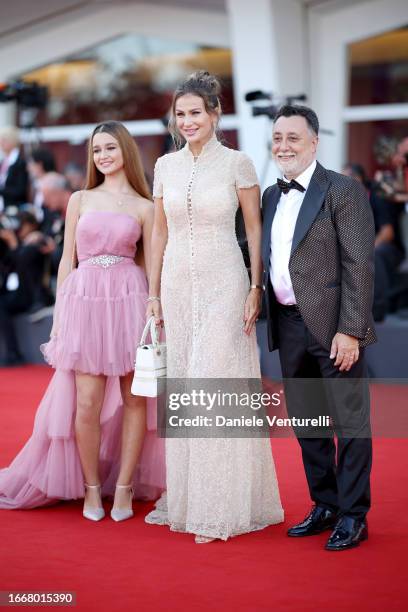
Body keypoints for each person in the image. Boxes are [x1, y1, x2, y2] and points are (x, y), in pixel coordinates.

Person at [0, 121, 165, 519]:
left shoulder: (146, 206)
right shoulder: (80, 199)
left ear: (125, 150)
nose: (103, 156)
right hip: (85, 300)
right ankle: (92, 489)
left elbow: (152, 263)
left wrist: (154, 303)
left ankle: (123, 488)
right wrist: (60, 315)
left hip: (129, 298)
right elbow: (65, 261)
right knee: (86, 402)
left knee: (133, 400)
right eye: (96, 150)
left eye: (110, 148)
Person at [145, 71, 283, 543]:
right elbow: (158, 233)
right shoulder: (164, 166)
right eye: (180, 114)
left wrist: (255, 287)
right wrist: (153, 293)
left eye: (195, 113)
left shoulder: (238, 163)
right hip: (177, 284)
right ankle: (189, 499)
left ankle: (223, 504)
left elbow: (255, 228)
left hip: (226, 281)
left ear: (215, 114)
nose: (187, 121)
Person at [262, 105, 376, 551]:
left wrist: (349, 329)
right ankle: (325, 504)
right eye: (277, 138)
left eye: (293, 137)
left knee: (350, 423)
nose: (284, 146)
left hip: (334, 328)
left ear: (314, 142)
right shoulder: (271, 196)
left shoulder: (343, 190)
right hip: (288, 325)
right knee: (308, 422)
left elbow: (359, 266)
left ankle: (353, 514)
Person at [342, 163, 404, 321]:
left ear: (359, 180)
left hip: (388, 249)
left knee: (374, 255)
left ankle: (378, 308)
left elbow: (387, 233)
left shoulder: (377, 197)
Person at [0, 211, 50, 366]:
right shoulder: (22, 244)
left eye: (22, 224)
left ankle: (14, 354)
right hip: (20, 293)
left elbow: (21, 261)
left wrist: (13, 242)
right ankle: (12, 353)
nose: (18, 228)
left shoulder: (38, 241)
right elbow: (8, 262)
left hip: (34, 296)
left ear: (32, 224)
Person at [0, 127, 29, 212]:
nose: (1, 143)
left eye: (3, 140)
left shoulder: (20, 162)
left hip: (14, 209)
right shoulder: (3, 162)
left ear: (12, 141)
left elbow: (20, 190)